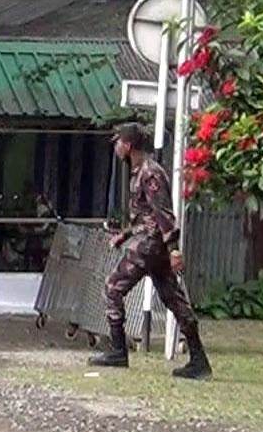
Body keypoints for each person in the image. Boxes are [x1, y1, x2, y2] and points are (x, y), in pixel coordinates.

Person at [90, 121, 211, 379]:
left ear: (129, 144)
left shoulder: (150, 173)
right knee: (174, 300)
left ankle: (118, 351)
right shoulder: (139, 171)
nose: (115, 146)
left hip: (150, 245)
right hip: (151, 243)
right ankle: (199, 359)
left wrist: (174, 249)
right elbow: (144, 216)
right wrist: (125, 235)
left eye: (118, 141)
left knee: (112, 287)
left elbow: (163, 214)